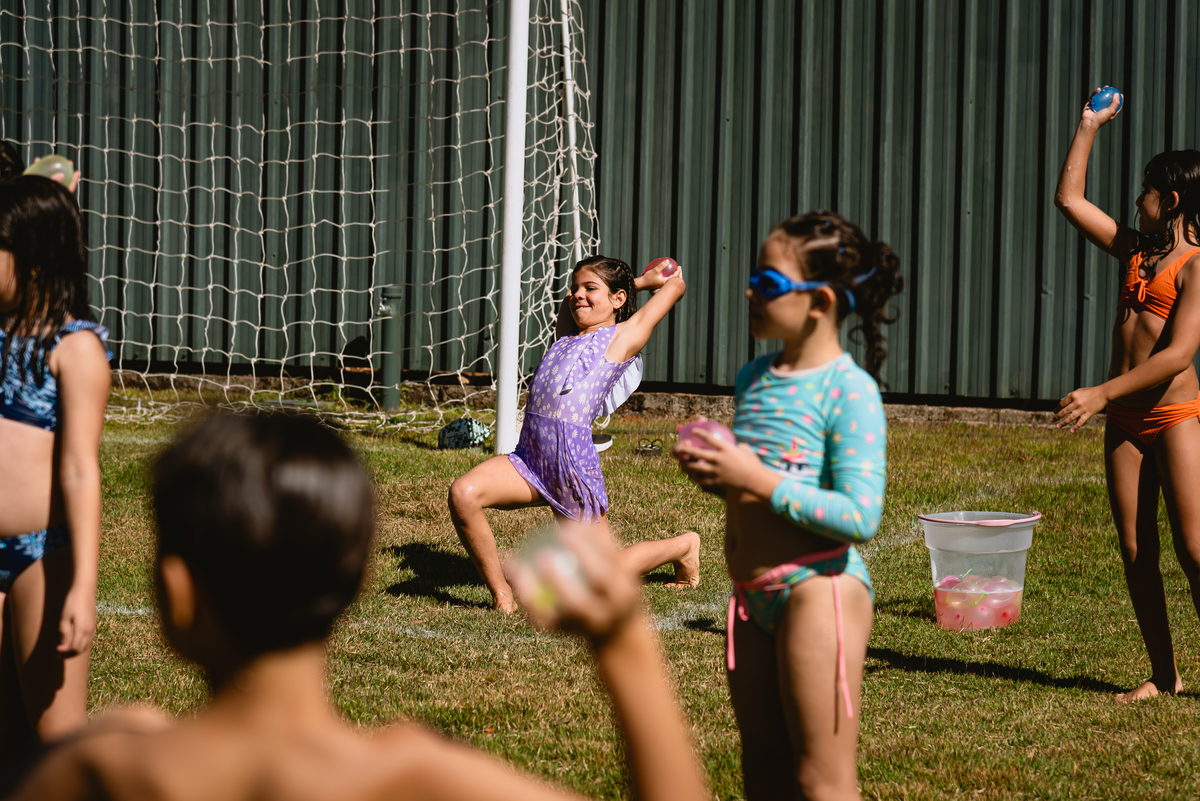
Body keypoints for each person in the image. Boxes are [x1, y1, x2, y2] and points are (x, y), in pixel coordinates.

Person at [6, 412, 711, 801]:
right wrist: (626, 648)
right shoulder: (415, 779)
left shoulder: (101, 766)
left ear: (174, 595)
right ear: (353, 581)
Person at [673, 211, 901, 800]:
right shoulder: (754, 377)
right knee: (764, 774)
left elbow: (860, 515)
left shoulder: (848, 390)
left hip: (818, 588)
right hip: (750, 597)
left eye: (768, 283)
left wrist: (753, 476)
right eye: (753, 277)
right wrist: (718, 475)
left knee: (820, 781)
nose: (750, 290)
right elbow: (753, 487)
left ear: (819, 301)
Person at [1054, 88, 1200, 701]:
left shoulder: (1195, 265)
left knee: (1195, 550)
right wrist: (1089, 124)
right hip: (1125, 423)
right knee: (1138, 553)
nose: (1133, 201)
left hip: (1175, 417)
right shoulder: (1136, 250)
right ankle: (1163, 676)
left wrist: (1100, 392)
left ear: (1166, 202)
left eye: (1143, 191)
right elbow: (1068, 199)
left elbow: (1178, 355)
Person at [449, 256, 700, 612]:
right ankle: (502, 596)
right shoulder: (566, 335)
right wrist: (603, 289)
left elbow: (675, 286)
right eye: (576, 287)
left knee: (603, 574)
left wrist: (641, 283)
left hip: (570, 469)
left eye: (590, 289)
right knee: (463, 493)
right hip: (529, 460)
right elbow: (572, 300)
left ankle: (684, 546)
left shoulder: (622, 338)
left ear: (617, 299)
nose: (578, 295)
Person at [0, 176, 111, 751]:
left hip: (39, 558)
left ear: (35, 258)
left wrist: (83, 587)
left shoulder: (75, 349)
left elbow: (79, 470)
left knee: (54, 743)